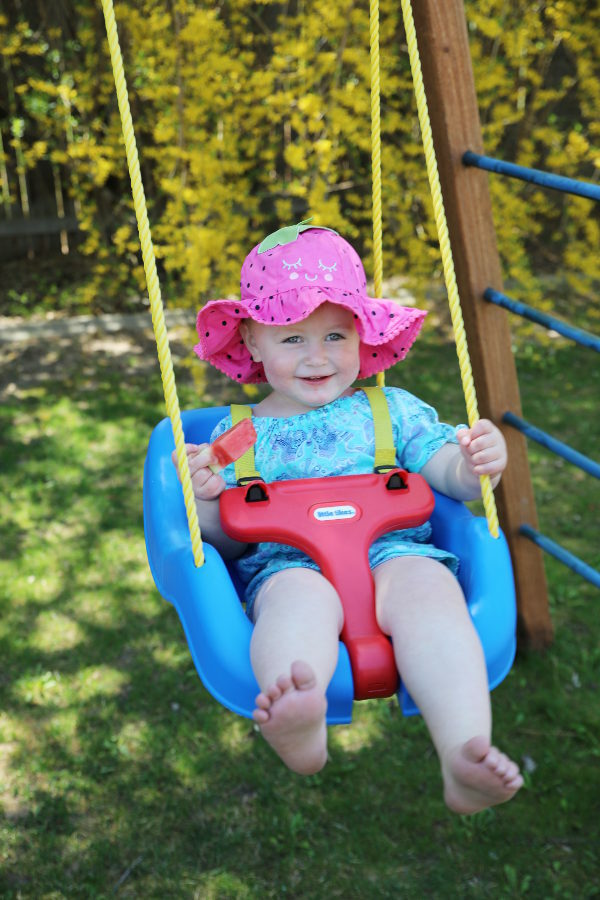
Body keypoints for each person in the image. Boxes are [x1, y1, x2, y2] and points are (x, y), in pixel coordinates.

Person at [174, 221, 523, 814]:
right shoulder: (239, 436)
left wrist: (474, 464)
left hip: (397, 554)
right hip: (292, 565)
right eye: (292, 340)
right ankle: (298, 716)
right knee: (294, 607)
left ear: (363, 336)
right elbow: (222, 547)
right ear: (254, 343)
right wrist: (205, 498)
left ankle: (463, 750)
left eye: (335, 335)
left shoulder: (391, 411)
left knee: (432, 598)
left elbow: (447, 477)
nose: (317, 358)